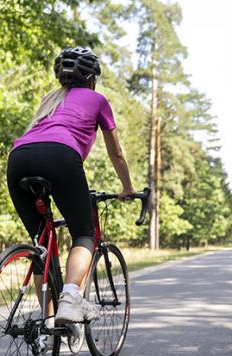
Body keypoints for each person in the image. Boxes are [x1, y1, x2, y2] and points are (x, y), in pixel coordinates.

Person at [8, 47, 136, 327]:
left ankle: (49, 321)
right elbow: (116, 153)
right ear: (91, 79)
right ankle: (70, 297)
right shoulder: (97, 99)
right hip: (60, 157)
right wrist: (127, 186)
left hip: (18, 158)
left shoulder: (49, 100)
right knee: (83, 234)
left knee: (42, 242)